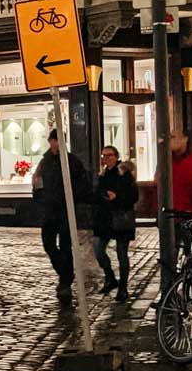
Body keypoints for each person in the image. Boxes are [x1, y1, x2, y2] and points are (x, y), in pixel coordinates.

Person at [32, 129, 90, 305]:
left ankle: (65, 283)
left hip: (66, 211)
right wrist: (39, 197)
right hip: (49, 211)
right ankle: (65, 274)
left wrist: (73, 199)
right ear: (50, 141)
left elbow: (82, 183)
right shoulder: (45, 162)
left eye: (60, 140)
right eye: (55, 140)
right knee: (48, 244)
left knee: (65, 246)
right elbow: (37, 183)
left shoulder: (72, 161)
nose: (57, 143)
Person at [92, 145, 138, 302]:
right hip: (104, 219)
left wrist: (117, 197)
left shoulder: (124, 174)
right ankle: (110, 277)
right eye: (103, 156)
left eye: (109, 155)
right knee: (98, 250)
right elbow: (97, 193)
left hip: (121, 219)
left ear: (116, 156)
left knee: (121, 254)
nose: (106, 159)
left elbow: (133, 196)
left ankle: (123, 287)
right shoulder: (103, 174)